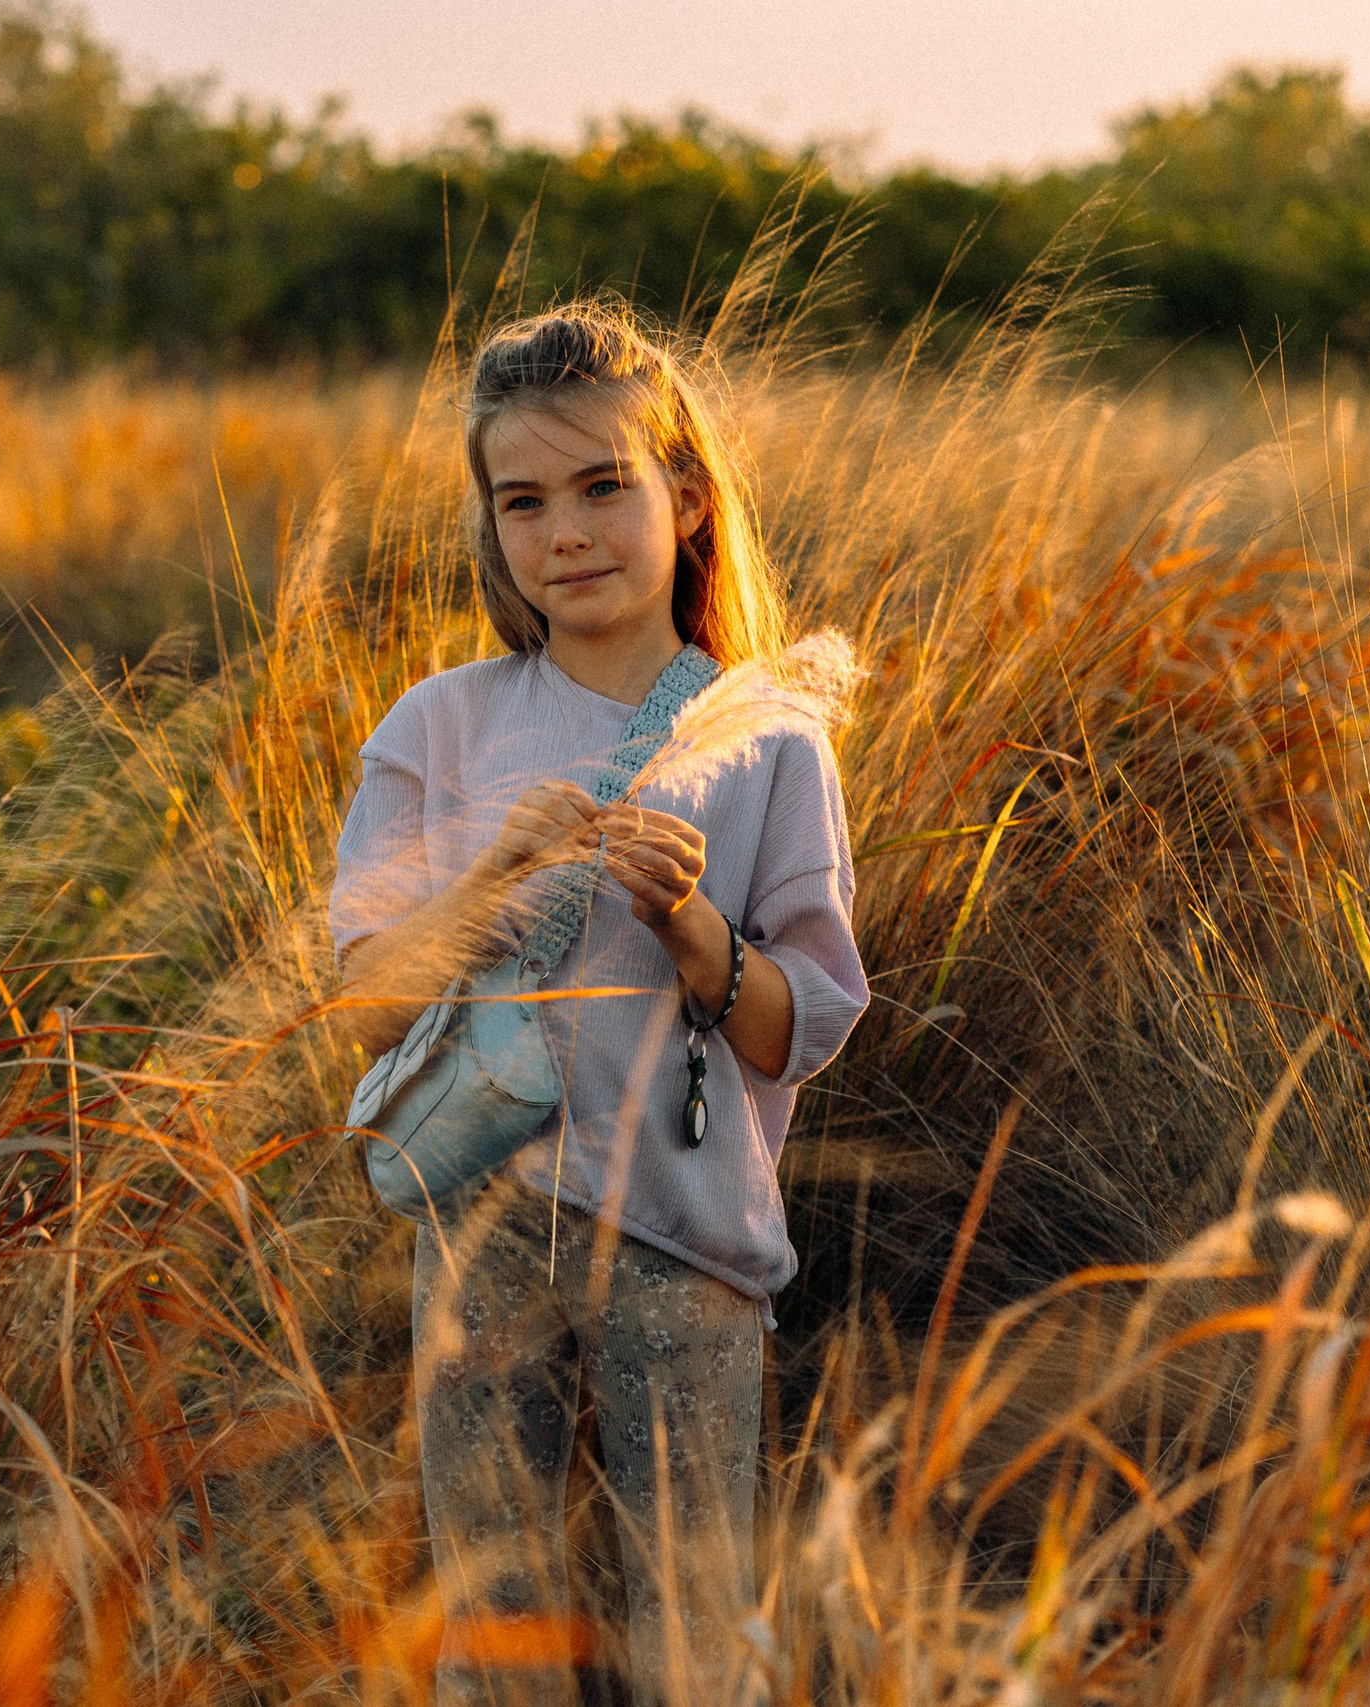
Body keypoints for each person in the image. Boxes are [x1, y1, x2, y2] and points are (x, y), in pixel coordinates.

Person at [328, 304, 869, 1704]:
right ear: (491, 524)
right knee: (497, 1626)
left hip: (688, 1247)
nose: (564, 531)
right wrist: (492, 883)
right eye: (524, 500)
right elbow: (361, 1007)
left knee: (696, 1632)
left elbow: (797, 1022)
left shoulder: (764, 737)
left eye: (603, 486)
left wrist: (692, 926)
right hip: (483, 1232)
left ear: (685, 497)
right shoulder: (437, 727)